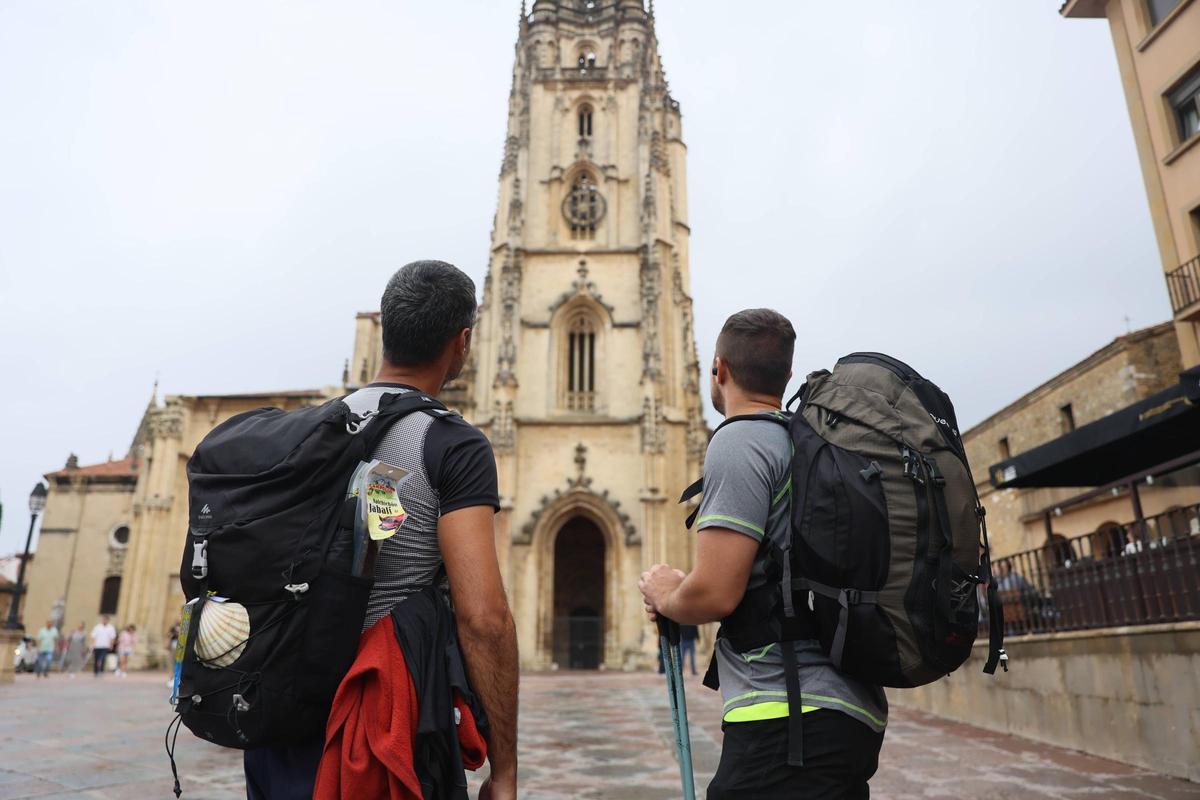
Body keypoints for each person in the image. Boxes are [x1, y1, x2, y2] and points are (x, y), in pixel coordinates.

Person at [242, 261, 519, 800]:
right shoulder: (451, 444)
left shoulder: (303, 432)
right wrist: (504, 769)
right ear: (462, 342)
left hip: (279, 724)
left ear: (385, 331)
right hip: (384, 726)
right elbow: (484, 618)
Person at [639, 309, 888, 799]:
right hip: (850, 711)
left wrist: (666, 593)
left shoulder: (741, 439)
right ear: (787, 376)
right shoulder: (805, 443)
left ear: (721, 369)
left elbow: (715, 595)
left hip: (785, 718)